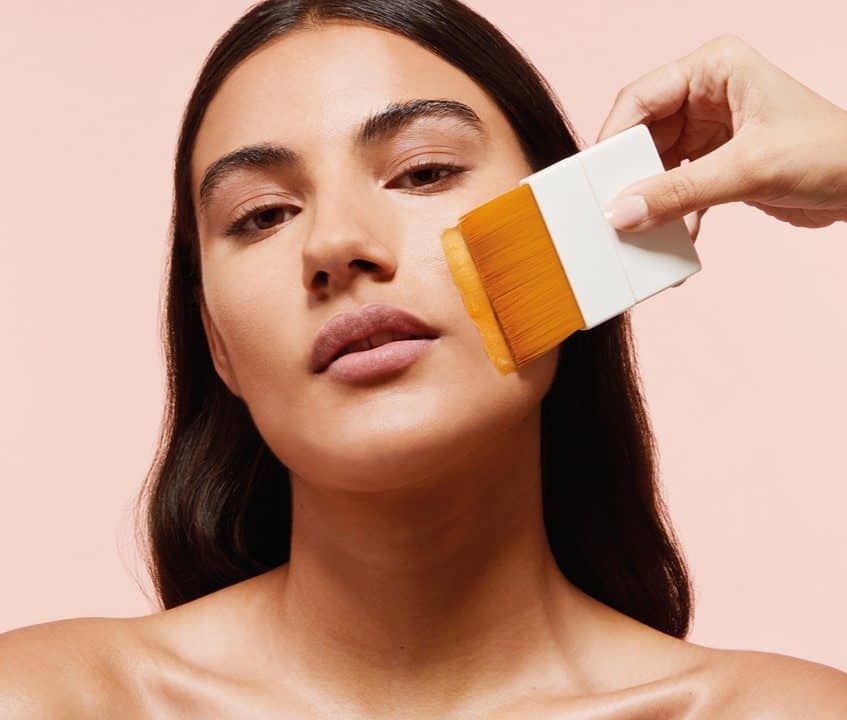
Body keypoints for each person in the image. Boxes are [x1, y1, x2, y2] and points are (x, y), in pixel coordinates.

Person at [1, 3, 845, 718]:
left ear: (573, 231)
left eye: (424, 170)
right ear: (216, 343)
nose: (335, 245)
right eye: (262, 216)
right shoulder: (47, 698)